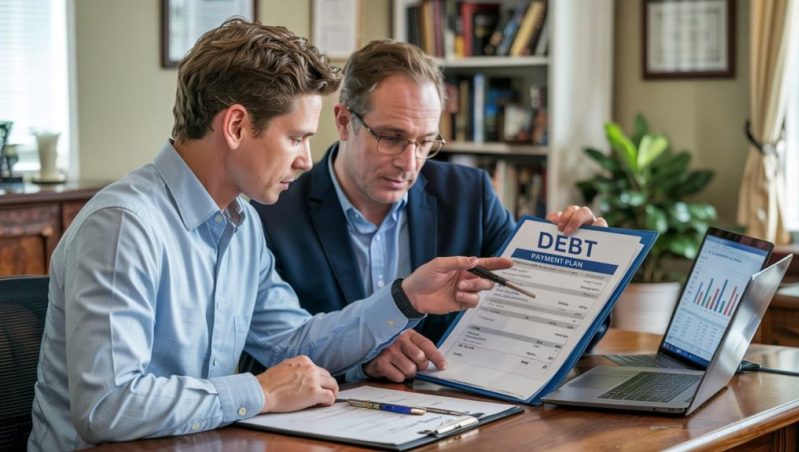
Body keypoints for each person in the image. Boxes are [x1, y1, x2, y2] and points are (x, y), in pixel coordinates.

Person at [28, 20, 511, 451]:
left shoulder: (242, 223)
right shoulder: (123, 226)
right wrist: (260, 391)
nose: (305, 160)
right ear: (237, 125)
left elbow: (293, 341)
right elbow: (108, 407)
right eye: (296, 137)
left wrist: (405, 298)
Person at [247, 39, 607, 383]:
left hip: (457, 409)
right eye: (391, 138)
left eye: (425, 142)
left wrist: (584, 272)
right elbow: (265, 355)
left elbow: (538, 322)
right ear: (343, 121)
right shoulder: (272, 214)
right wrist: (360, 360)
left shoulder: (471, 196)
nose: (409, 163)